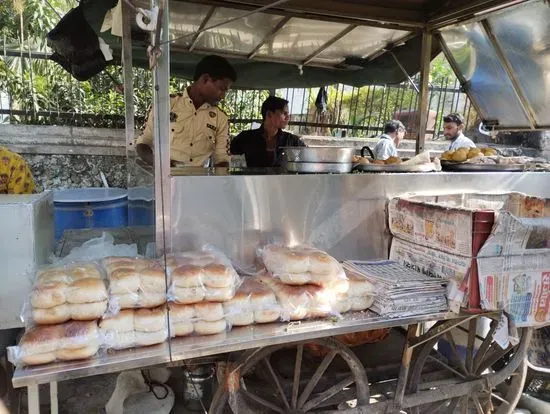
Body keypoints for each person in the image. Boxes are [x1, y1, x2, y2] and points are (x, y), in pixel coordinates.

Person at [136, 55, 237, 167]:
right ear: (205, 79)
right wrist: (161, 166)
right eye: (222, 89)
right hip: (164, 179)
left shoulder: (220, 118)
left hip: (197, 181)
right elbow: (143, 144)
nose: (222, 96)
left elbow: (222, 158)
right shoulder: (165, 105)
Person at [230, 96, 305, 168]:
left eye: (288, 114)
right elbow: (225, 153)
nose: (288, 117)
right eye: (284, 113)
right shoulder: (246, 137)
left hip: (282, 181)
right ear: (269, 114)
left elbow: (307, 157)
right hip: (253, 180)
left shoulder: (292, 140)